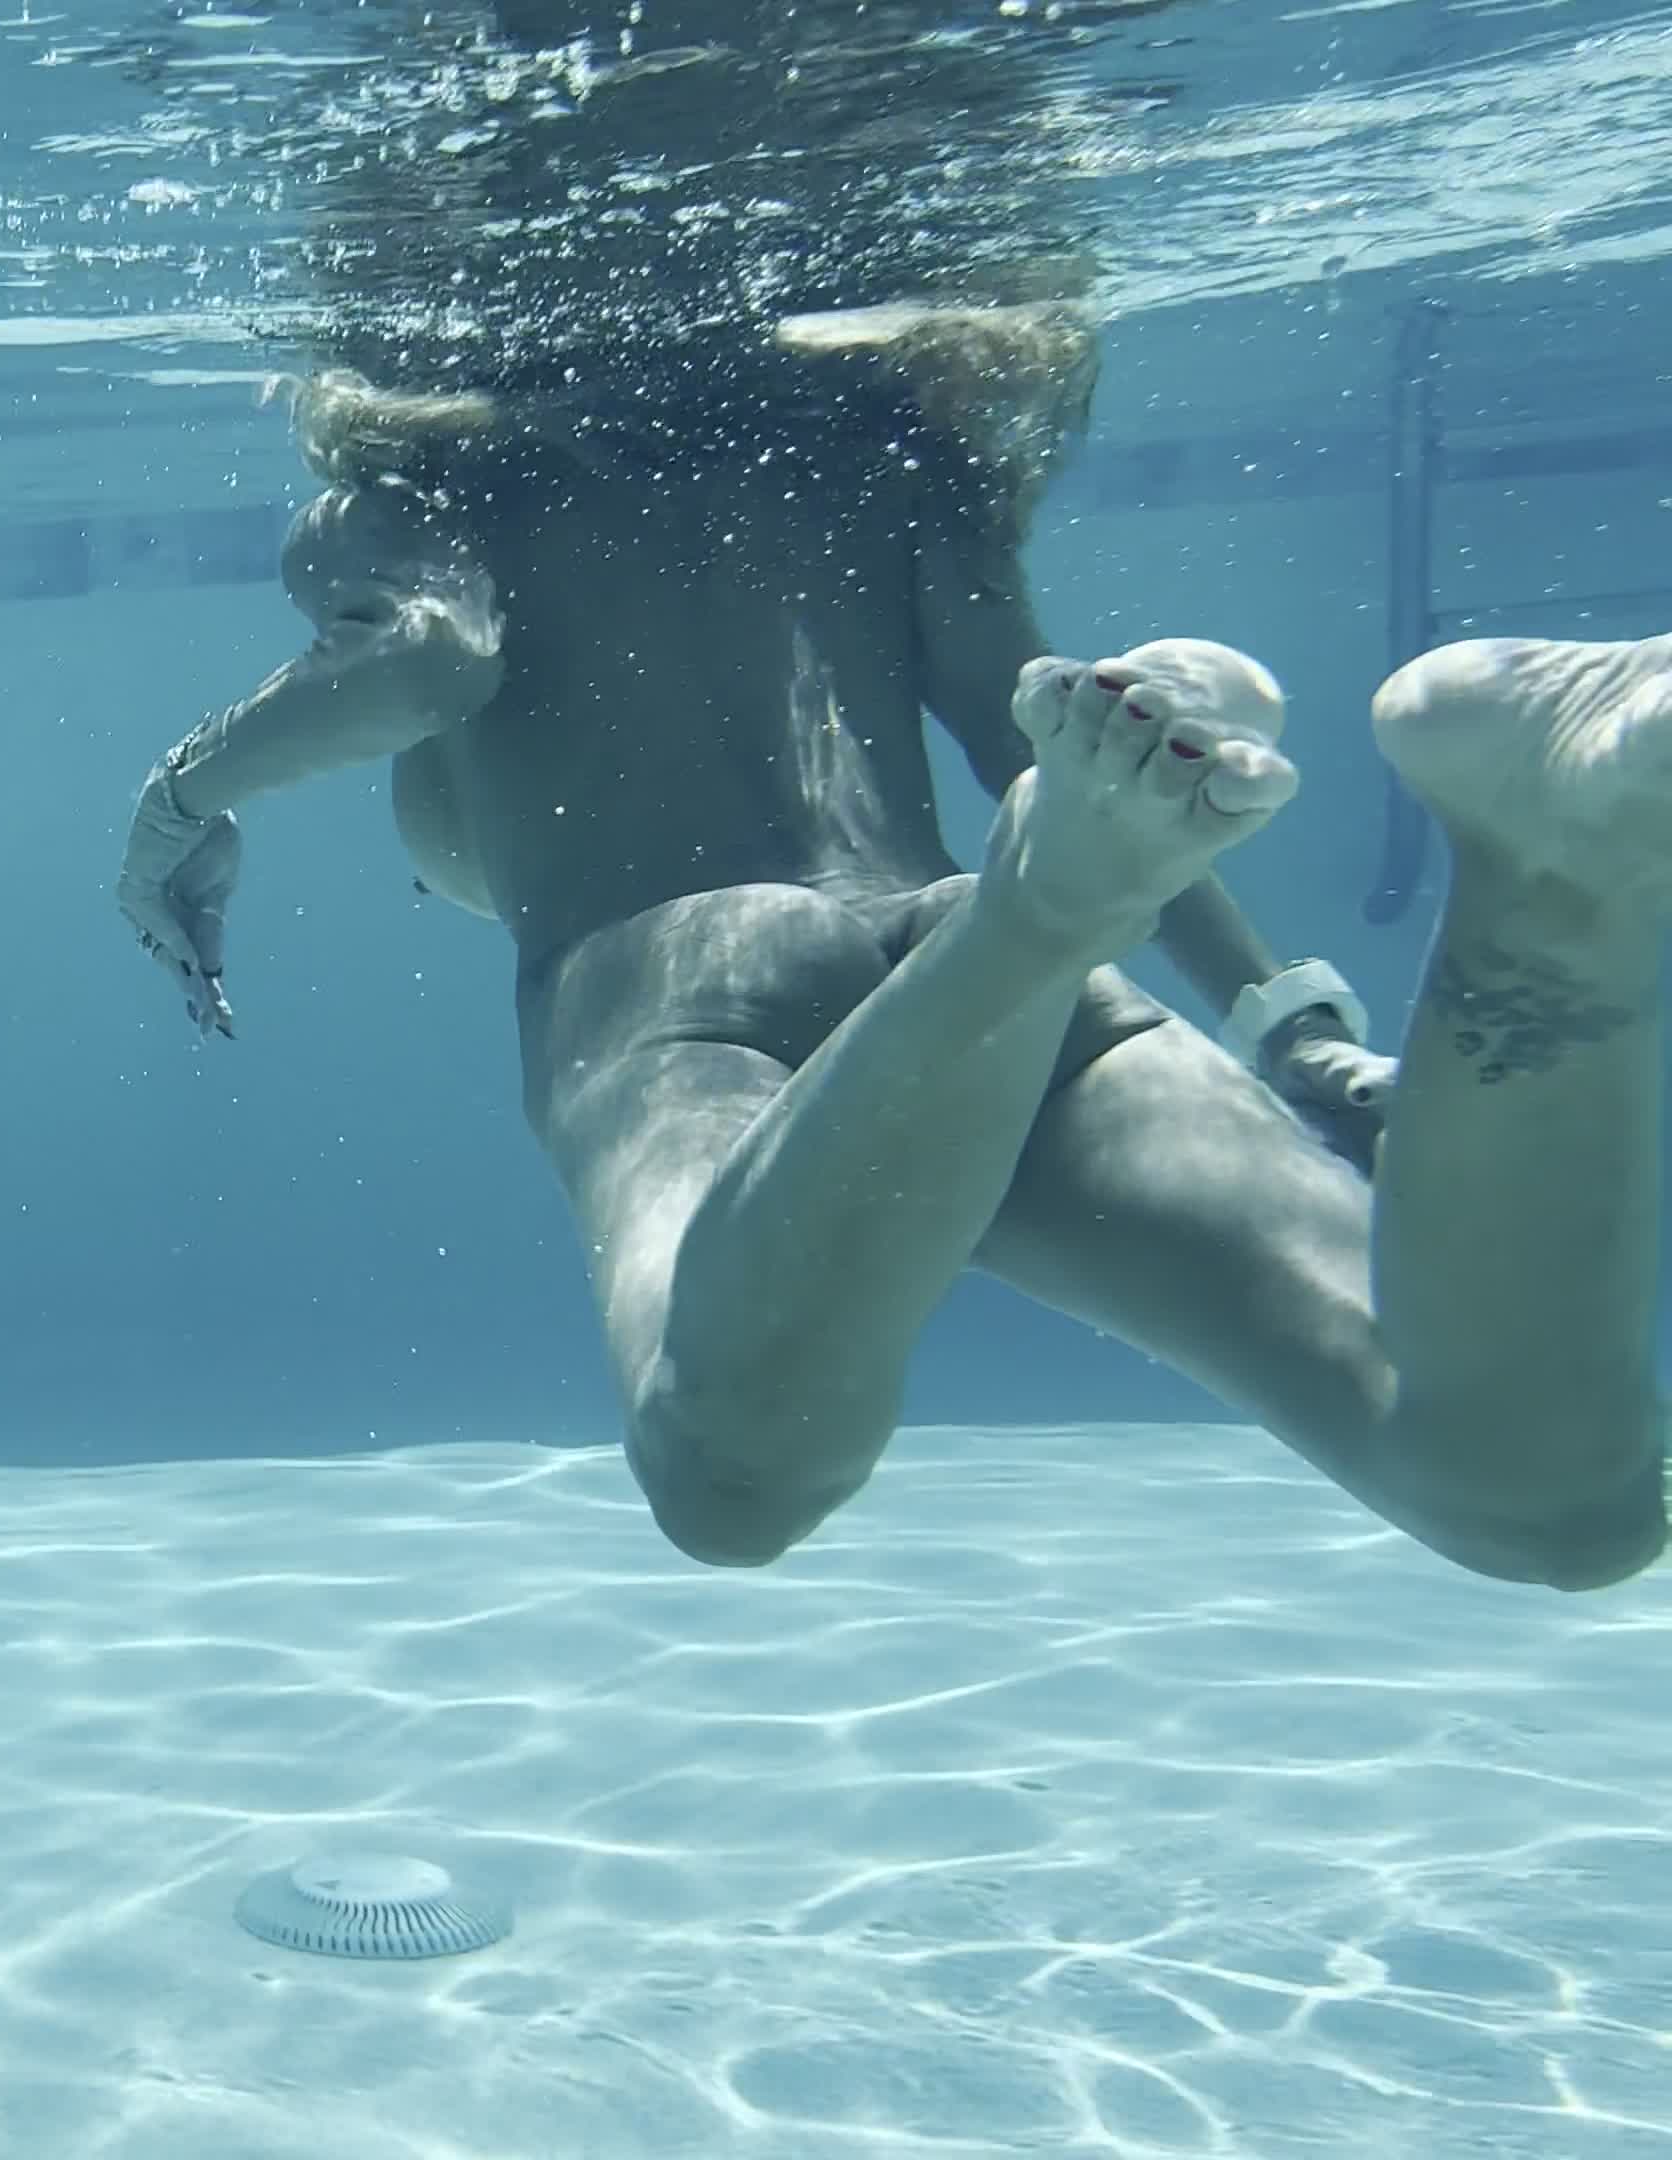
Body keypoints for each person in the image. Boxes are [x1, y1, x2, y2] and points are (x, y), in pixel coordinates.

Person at [111, 304, 1670, 1591]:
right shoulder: (871, 453)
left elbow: (424, 669)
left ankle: (1048, 905)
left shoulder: (415, 498)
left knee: (730, 1476)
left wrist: (175, 805)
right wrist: (1293, 1028)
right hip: (957, 934)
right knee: (1543, 1498)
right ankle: (1550, 869)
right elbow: (1042, 731)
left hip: (681, 994)